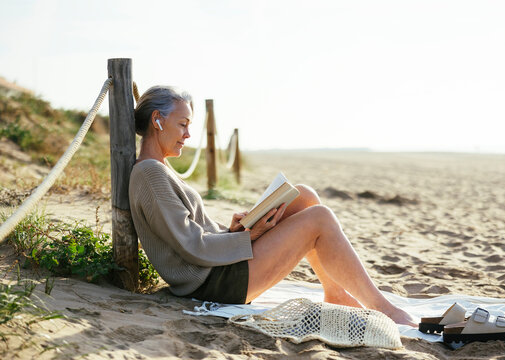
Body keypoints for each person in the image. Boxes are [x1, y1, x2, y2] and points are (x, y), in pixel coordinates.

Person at [128, 86, 416, 326]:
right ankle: (384, 309)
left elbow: (190, 233)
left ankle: (335, 292)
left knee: (303, 196)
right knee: (319, 218)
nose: (188, 135)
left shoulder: (158, 169)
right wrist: (244, 237)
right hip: (212, 283)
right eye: (183, 124)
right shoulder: (151, 173)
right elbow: (191, 247)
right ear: (157, 120)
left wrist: (232, 230)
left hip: (216, 268)